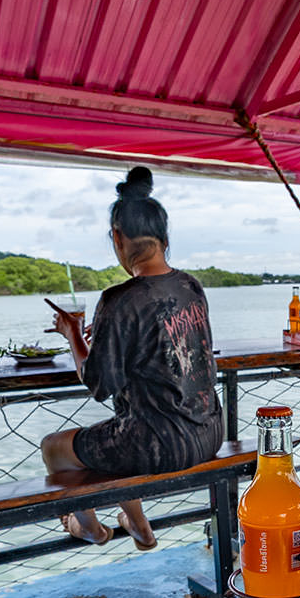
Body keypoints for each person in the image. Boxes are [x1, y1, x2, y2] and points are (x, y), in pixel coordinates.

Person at [41, 166, 224, 546]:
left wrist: (73, 334)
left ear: (117, 237)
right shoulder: (191, 285)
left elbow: (97, 384)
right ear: (163, 237)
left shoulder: (118, 299)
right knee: (121, 430)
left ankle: (88, 527)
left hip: (162, 445)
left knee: (54, 448)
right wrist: (111, 335)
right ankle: (138, 524)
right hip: (210, 432)